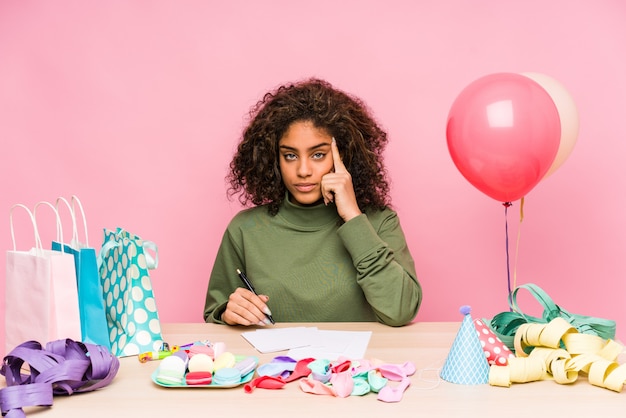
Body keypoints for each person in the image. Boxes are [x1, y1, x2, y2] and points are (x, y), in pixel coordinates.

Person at [203, 78, 422, 327]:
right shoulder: (245, 230)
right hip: (274, 365)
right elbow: (215, 313)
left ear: (344, 156)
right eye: (290, 156)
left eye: (318, 155)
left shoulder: (379, 222)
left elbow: (401, 310)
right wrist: (228, 312)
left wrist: (353, 217)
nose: (303, 170)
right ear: (274, 159)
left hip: (355, 365)